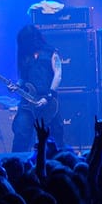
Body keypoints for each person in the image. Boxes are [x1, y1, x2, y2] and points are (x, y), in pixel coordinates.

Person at [10, 24, 64, 153]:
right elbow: (24, 78)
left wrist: (49, 95)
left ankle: (58, 163)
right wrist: (16, 85)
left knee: (55, 135)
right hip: (27, 102)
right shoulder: (25, 56)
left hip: (48, 101)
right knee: (21, 134)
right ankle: (17, 165)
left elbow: (58, 74)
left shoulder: (51, 52)